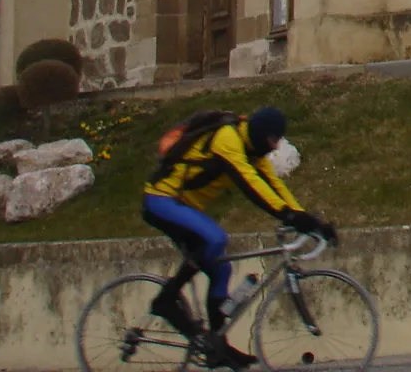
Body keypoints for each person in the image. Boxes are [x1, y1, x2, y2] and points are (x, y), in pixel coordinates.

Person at [141, 106, 336, 370]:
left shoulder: (251, 148)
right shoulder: (228, 139)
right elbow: (250, 185)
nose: (273, 147)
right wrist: (288, 216)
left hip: (183, 206)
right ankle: (165, 300)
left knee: (222, 269)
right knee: (215, 239)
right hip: (161, 200)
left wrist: (311, 221)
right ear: (259, 133)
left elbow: (273, 184)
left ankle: (218, 346)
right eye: (271, 141)